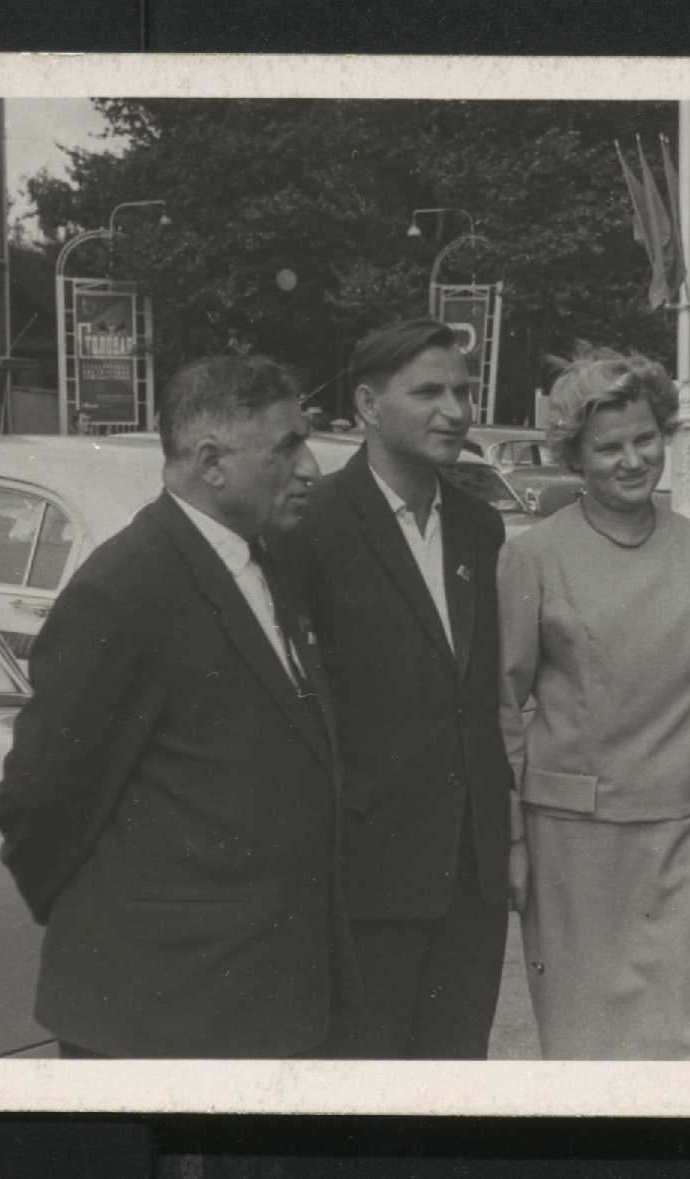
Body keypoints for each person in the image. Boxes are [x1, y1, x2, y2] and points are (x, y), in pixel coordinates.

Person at [0, 355, 358, 1058]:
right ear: (211, 463)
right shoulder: (123, 588)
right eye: (287, 447)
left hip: (258, 995)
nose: (310, 467)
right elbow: (38, 799)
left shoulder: (262, 560)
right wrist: (119, 927)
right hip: (164, 1011)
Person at [499, 347, 690, 1060]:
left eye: (645, 439)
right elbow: (501, 704)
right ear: (574, 456)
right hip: (576, 838)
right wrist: (513, 838)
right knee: (588, 1040)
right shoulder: (533, 556)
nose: (633, 460)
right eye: (608, 448)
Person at [279, 318, 511, 1059]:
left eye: (462, 391)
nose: (455, 410)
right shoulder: (310, 523)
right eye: (428, 392)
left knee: (452, 1090)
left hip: (471, 882)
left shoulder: (480, 525)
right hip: (365, 876)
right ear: (368, 405)